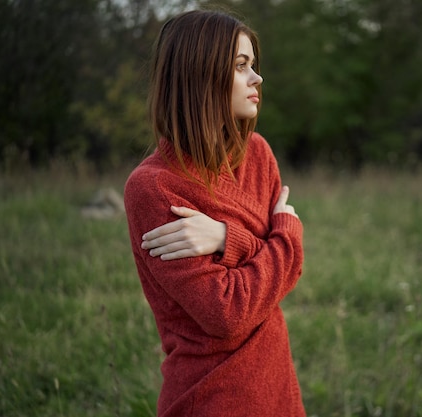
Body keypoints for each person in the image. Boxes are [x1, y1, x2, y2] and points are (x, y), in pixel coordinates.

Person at [123, 9, 305, 417]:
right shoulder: (154, 187)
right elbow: (228, 314)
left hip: (276, 384)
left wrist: (226, 238)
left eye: (253, 66)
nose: (257, 79)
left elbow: (289, 272)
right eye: (241, 67)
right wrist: (288, 235)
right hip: (212, 396)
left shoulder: (259, 154)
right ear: (199, 75)